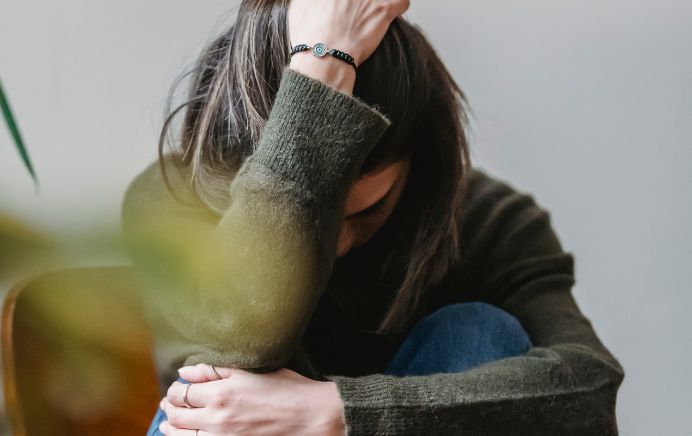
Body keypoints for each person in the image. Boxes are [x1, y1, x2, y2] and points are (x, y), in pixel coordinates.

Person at [120, 0, 624, 434]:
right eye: (322, 213)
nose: (336, 244)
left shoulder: (487, 219)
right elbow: (235, 349)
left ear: (419, 166)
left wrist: (339, 414)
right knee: (211, 393)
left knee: (478, 331)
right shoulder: (170, 199)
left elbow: (588, 390)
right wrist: (323, 70)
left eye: (365, 211)